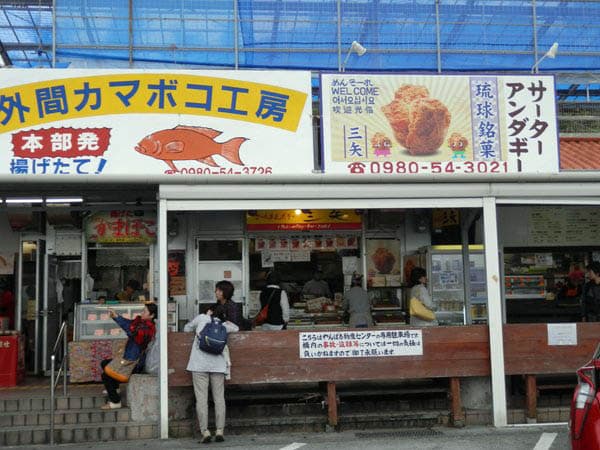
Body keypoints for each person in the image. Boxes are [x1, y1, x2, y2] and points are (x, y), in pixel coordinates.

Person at [184, 296, 239, 443]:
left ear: (209, 310)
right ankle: (220, 430)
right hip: (218, 365)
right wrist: (225, 321)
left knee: (201, 399)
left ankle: (205, 432)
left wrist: (205, 317)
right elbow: (237, 328)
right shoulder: (223, 325)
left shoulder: (202, 318)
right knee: (219, 398)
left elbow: (186, 328)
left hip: (199, 364)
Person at [100, 302, 157, 409]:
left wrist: (117, 317)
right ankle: (114, 387)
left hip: (134, 363)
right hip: (129, 358)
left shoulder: (147, 329)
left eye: (145, 311)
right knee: (104, 364)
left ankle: (115, 401)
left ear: (152, 315)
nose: (142, 313)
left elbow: (131, 329)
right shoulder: (140, 323)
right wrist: (116, 316)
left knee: (106, 375)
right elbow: (129, 324)